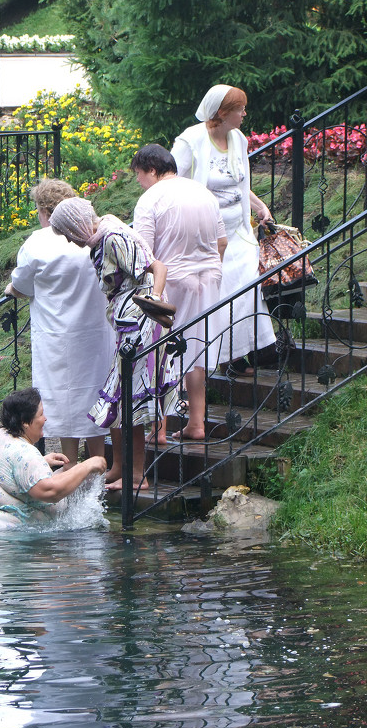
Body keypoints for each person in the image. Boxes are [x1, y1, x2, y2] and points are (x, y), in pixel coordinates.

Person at [48, 196, 176, 491]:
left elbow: (158, 268)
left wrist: (153, 302)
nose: (69, 241)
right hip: (128, 325)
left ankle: (136, 475)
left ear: (76, 226)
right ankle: (122, 468)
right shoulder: (102, 238)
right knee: (124, 397)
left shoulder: (113, 237)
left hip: (141, 326)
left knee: (131, 396)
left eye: (68, 234)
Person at [4, 178, 114, 470]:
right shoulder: (92, 236)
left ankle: (70, 465)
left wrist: (11, 291)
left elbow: (21, 284)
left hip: (57, 335)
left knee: (64, 398)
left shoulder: (37, 243)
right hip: (95, 331)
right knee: (94, 392)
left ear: (43, 211)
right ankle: (98, 460)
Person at [170, 84, 276, 376]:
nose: (244, 113)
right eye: (240, 109)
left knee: (245, 293)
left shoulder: (238, 138)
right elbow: (170, 183)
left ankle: (238, 354)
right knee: (220, 295)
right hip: (206, 237)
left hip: (238, 233)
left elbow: (239, 181)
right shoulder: (191, 140)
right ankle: (215, 356)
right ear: (222, 113)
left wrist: (257, 205)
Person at [131, 144, 227, 442]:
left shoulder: (151, 198)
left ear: (152, 170)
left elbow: (144, 251)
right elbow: (222, 241)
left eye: (139, 174)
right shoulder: (203, 192)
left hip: (172, 280)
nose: (138, 182)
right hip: (208, 277)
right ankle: (196, 423)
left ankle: (158, 428)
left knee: (162, 351)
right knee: (197, 349)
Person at [0, 387, 107, 530]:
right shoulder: (26, 454)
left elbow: (3, 468)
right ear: (26, 422)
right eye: (41, 414)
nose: (45, 418)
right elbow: (50, 492)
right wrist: (88, 465)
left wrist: (42, 462)